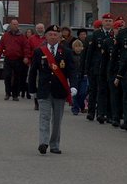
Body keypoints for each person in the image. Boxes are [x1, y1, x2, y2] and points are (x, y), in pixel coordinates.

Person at [28, 24, 78, 155]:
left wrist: (73, 86)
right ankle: (43, 143)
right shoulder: (40, 51)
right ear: (46, 36)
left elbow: (72, 71)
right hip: (44, 90)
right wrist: (32, 89)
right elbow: (33, 72)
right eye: (50, 34)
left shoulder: (66, 52)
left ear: (59, 37)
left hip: (59, 90)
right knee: (44, 117)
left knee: (57, 120)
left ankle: (54, 144)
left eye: (56, 35)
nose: (53, 36)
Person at [0, 19, 32, 101]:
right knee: (7, 76)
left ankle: (15, 94)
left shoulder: (22, 36)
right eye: (14, 24)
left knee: (17, 77)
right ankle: (7, 93)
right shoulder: (5, 35)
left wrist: (26, 57)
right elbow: (1, 45)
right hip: (8, 59)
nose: (15, 26)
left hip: (18, 59)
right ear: (10, 25)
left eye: (16, 24)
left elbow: (26, 47)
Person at [28, 23, 47, 110]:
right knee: (35, 82)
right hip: (34, 63)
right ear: (36, 29)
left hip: (46, 64)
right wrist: (27, 59)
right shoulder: (31, 38)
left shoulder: (47, 38)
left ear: (44, 29)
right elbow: (27, 49)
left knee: (43, 82)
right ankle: (36, 102)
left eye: (41, 28)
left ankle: (44, 100)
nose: (40, 30)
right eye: (38, 28)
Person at [69, 39, 87, 115]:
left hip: (84, 75)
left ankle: (81, 105)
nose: (78, 48)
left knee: (83, 92)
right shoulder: (70, 55)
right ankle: (75, 108)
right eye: (76, 46)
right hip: (74, 76)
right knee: (75, 93)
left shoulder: (85, 55)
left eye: (79, 46)